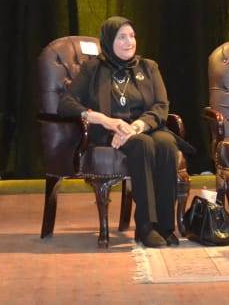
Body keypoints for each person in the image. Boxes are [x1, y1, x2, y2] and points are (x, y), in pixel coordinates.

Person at [57, 16, 180, 248]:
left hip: (143, 127)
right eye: (121, 37)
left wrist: (136, 127)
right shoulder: (93, 69)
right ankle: (146, 227)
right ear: (108, 40)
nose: (129, 42)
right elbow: (66, 103)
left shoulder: (149, 67)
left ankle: (165, 226)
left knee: (166, 143)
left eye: (132, 36)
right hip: (109, 133)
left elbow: (161, 106)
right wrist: (103, 120)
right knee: (142, 144)